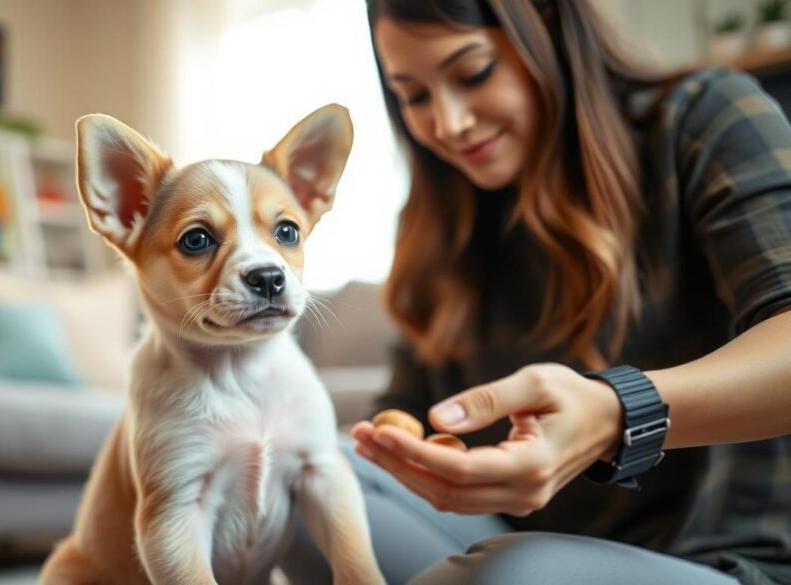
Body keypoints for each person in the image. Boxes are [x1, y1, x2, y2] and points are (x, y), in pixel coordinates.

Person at [279, 1, 791, 584]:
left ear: (547, 28)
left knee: (512, 574)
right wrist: (403, 444)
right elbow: (405, 415)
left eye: (473, 74)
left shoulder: (706, 117)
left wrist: (615, 412)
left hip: (722, 564)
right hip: (508, 541)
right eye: (414, 96)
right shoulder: (443, 219)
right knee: (302, 482)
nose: (447, 123)